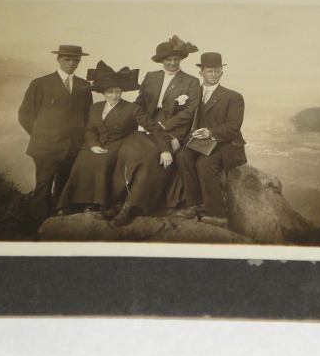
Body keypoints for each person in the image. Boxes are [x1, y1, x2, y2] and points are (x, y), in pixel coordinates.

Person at [55, 61, 173, 226]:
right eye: (110, 92)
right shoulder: (95, 108)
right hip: (96, 143)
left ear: (121, 92)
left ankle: (96, 203)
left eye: (117, 92)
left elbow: (154, 129)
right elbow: (89, 130)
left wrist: (165, 150)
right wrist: (93, 144)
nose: (114, 96)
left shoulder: (132, 109)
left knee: (103, 160)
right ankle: (73, 203)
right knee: (83, 160)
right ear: (103, 93)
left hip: (118, 143)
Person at [18, 44, 93, 228]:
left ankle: (58, 225)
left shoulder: (84, 86)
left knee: (65, 184)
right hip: (45, 147)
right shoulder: (40, 83)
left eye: (76, 60)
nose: (72, 63)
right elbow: (25, 115)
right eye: (67, 59)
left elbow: (87, 116)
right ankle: (38, 226)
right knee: (43, 185)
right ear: (58, 59)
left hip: (73, 147)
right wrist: (41, 136)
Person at [175, 52, 247, 219]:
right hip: (200, 143)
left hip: (227, 144)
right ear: (201, 73)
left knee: (204, 163)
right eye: (209, 71)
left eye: (217, 71)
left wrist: (211, 132)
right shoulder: (193, 94)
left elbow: (233, 127)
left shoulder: (233, 97)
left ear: (222, 72)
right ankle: (195, 204)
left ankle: (217, 214)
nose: (213, 75)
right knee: (182, 156)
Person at [134, 35, 201, 207]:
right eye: (168, 60)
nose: (172, 63)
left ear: (180, 59)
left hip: (174, 127)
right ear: (161, 61)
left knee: (160, 155)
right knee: (138, 152)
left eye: (176, 59)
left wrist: (165, 126)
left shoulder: (191, 82)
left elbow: (189, 111)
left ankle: (154, 202)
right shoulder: (150, 76)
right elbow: (139, 103)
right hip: (147, 124)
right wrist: (143, 122)